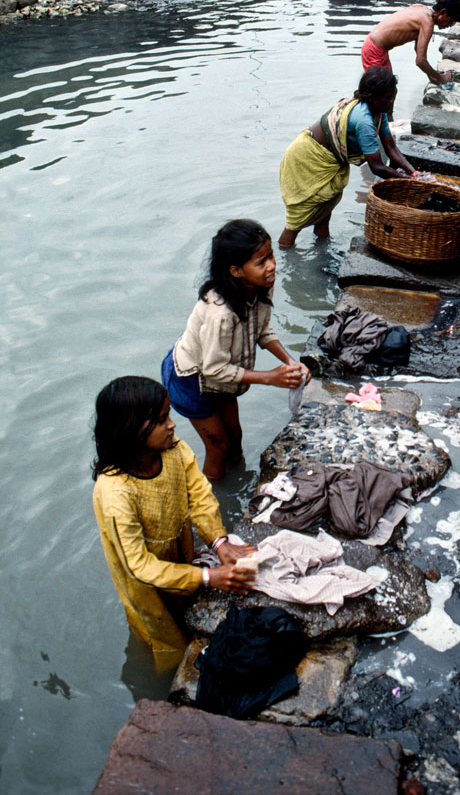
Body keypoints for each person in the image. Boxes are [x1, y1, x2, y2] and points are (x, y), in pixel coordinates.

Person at [92, 375, 257, 666]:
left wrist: (219, 542)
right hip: (145, 582)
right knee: (165, 638)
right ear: (131, 432)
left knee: (187, 605)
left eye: (168, 416)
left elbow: (199, 493)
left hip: (179, 552)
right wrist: (208, 577)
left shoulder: (172, 449)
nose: (172, 425)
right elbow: (139, 566)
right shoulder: (116, 492)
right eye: (161, 420)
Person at [161, 219, 308, 479]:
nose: (271, 265)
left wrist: (289, 361)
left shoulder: (262, 284)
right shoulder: (221, 313)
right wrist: (270, 378)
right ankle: (214, 503)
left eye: (271, 256)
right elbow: (214, 368)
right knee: (218, 446)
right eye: (261, 262)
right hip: (192, 378)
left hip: (222, 370)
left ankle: (239, 479)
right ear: (236, 271)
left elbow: (261, 329)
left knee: (235, 435)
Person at [278, 66, 417, 249]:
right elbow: (377, 167)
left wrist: (413, 172)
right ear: (371, 97)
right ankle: (286, 256)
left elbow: (390, 147)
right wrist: (408, 181)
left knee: (324, 212)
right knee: (296, 219)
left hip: (329, 160)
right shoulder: (364, 121)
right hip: (307, 159)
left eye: (393, 97)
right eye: (387, 98)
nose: (391, 102)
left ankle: (322, 250)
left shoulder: (379, 112)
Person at [361, 0, 460, 83]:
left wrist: (431, 75)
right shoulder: (427, 22)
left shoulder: (421, 8)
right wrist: (441, 78)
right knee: (380, 91)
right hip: (374, 50)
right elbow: (420, 61)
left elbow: (418, 50)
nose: (450, 25)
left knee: (389, 88)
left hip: (374, 46)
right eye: (451, 21)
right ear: (443, 13)